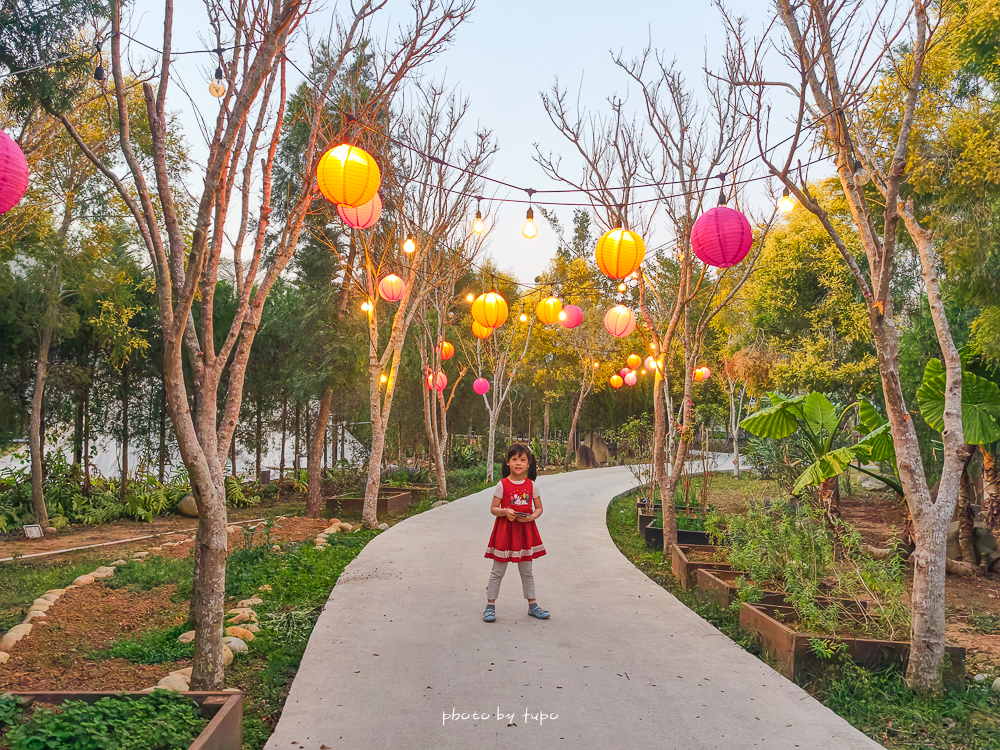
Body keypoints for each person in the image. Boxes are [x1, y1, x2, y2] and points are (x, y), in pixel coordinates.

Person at [483, 443, 549, 622]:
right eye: (514, 459)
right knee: (497, 571)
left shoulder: (532, 486)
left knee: (527, 571)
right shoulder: (502, 485)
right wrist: (505, 512)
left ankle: (533, 605)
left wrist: (531, 517)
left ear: (528, 464)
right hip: (504, 533)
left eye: (522, 459)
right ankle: (490, 606)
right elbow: (493, 509)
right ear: (508, 462)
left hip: (525, 533)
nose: (518, 463)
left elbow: (539, 508)